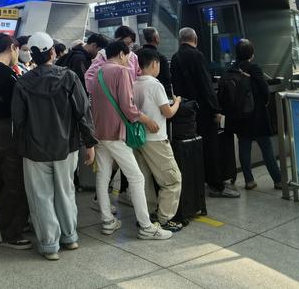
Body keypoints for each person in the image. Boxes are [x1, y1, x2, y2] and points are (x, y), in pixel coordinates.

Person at [12, 32, 97, 260]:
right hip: (66, 146)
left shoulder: (23, 83)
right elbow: (83, 112)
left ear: (32, 55)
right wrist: (89, 143)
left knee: (41, 197)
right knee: (66, 192)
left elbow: (18, 120)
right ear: (52, 52)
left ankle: (50, 245)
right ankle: (70, 237)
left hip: (34, 149)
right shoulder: (69, 77)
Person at [86, 39, 172, 240]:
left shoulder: (97, 72)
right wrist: (146, 119)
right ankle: (146, 227)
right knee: (137, 178)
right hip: (116, 133)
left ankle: (107, 221)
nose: (129, 61)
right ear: (122, 54)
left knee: (103, 176)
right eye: (128, 57)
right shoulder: (121, 71)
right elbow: (128, 106)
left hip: (100, 132)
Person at [171, 27, 239, 198]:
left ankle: (198, 181)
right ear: (195, 39)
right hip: (203, 110)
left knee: (194, 147)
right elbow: (205, 84)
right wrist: (215, 109)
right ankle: (216, 185)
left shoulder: (176, 57)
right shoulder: (197, 55)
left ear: (180, 40)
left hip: (186, 111)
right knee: (211, 147)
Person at [0, 33, 31, 249]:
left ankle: (7, 224)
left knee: (7, 178)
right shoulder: (5, 74)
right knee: (15, 180)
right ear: (12, 48)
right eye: (18, 50)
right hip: (9, 129)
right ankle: (12, 232)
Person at [133, 48, 184, 231]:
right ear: (154, 64)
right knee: (172, 180)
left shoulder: (133, 83)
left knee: (145, 179)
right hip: (156, 139)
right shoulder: (155, 85)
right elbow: (167, 113)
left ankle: (147, 215)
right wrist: (177, 102)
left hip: (138, 139)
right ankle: (164, 219)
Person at [225, 39, 281, 190]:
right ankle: (278, 180)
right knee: (266, 148)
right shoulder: (253, 68)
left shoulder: (231, 69)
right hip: (257, 116)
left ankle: (249, 180)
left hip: (239, 117)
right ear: (251, 53)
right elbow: (264, 89)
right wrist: (265, 102)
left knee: (244, 148)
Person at [142, 27, 172, 96]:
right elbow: (166, 80)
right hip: (158, 94)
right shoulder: (160, 57)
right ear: (156, 38)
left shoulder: (136, 55)